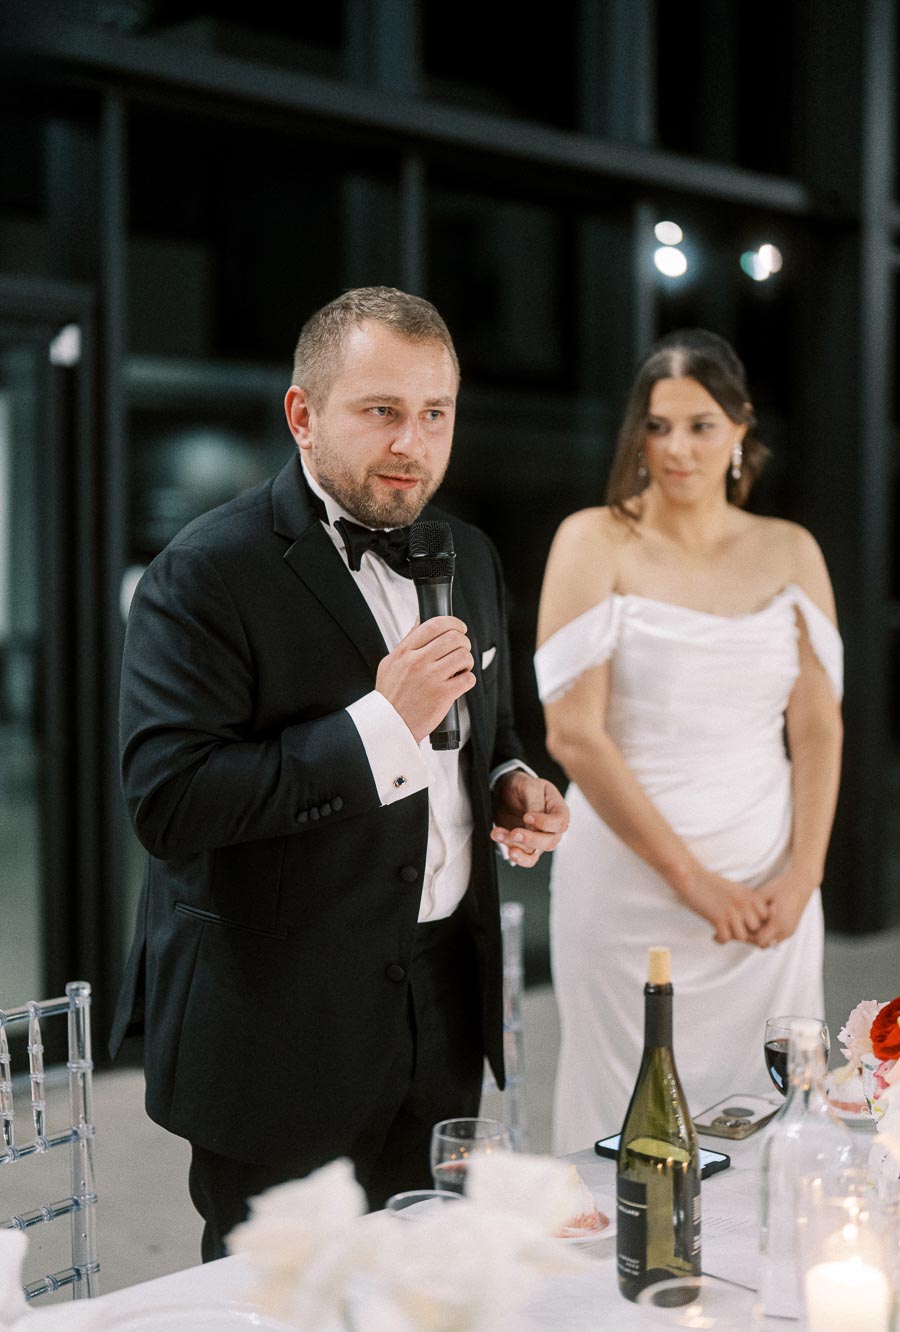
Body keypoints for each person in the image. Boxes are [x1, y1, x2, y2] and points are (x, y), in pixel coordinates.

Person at [110, 286, 568, 1257]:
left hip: (441, 1008)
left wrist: (510, 783)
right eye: (382, 411)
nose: (414, 442)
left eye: (435, 413)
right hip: (279, 1019)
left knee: (428, 1288)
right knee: (282, 1309)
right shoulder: (203, 573)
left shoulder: (470, 555)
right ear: (303, 415)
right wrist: (379, 726)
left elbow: (496, 728)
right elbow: (169, 802)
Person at [535, 329, 843, 1152]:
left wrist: (804, 874)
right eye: (658, 425)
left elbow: (817, 722)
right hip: (633, 888)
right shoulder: (593, 539)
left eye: (700, 424)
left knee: (777, 1115)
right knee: (626, 1120)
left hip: (770, 878)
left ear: (740, 427)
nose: (676, 448)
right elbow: (575, 735)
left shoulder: (790, 550)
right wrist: (697, 885)